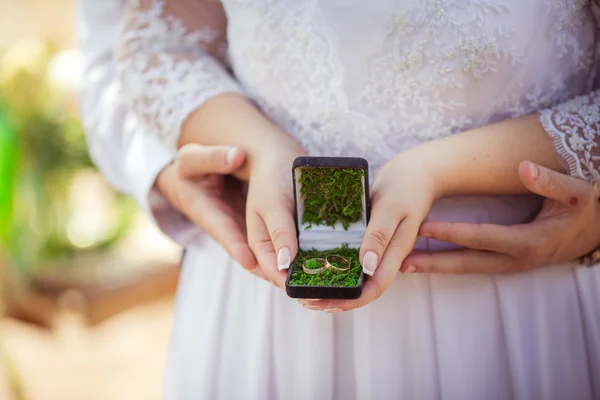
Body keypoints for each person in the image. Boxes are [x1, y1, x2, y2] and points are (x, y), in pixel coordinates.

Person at [78, 0, 600, 398]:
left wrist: (441, 171)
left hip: (515, 294)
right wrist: (258, 150)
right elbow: (159, 45)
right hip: (264, 294)